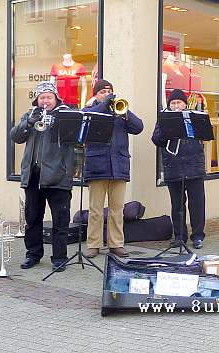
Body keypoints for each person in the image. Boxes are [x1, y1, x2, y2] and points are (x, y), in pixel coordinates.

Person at [10, 81, 75, 271]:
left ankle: (59, 258)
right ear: (37, 100)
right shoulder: (29, 115)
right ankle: (33, 255)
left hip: (58, 177)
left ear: (56, 99)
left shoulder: (65, 115)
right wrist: (28, 123)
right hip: (34, 177)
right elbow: (15, 137)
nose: (45, 101)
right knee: (33, 219)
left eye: (49, 97)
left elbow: (75, 139)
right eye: (42, 97)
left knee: (60, 221)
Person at [83, 79, 144, 258]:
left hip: (119, 166)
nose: (107, 94)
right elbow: (88, 118)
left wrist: (125, 113)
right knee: (95, 209)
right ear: (95, 94)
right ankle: (93, 244)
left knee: (117, 209)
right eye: (102, 92)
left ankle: (116, 243)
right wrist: (104, 104)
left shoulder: (119, 110)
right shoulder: (90, 110)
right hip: (97, 166)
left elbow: (138, 127)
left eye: (109, 91)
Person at [151, 89, 206, 250]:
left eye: (179, 103)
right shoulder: (164, 119)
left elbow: (204, 134)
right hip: (173, 167)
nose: (176, 106)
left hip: (194, 166)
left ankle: (198, 236)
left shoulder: (193, 117)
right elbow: (156, 139)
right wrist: (167, 128)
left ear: (184, 104)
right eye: (172, 103)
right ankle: (180, 236)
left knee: (197, 204)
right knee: (177, 204)